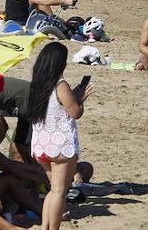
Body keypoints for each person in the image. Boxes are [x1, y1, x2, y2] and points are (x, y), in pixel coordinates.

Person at [26, 42, 89, 230]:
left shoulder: (38, 85)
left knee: (53, 191)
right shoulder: (60, 84)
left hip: (41, 145)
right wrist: (80, 99)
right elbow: (75, 112)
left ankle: (45, 226)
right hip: (60, 146)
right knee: (60, 192)